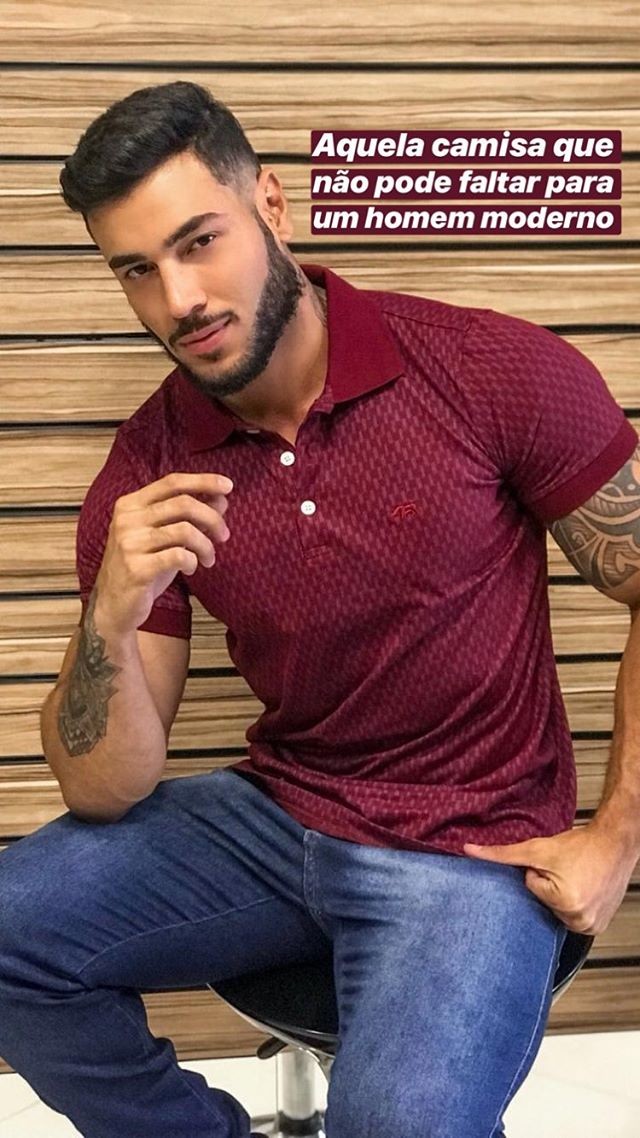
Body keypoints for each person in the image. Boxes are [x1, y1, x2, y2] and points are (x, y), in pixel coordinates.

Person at [0, 80, 638, 1138]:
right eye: (138, 269)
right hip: (278, 817)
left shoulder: (487, 370)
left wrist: (616, 837)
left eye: (199, 241)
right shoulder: (147, 467)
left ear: (271, 206)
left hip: (470, 847)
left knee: (396, 1122)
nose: (179, 298)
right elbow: (106, 790)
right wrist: (108, 617)